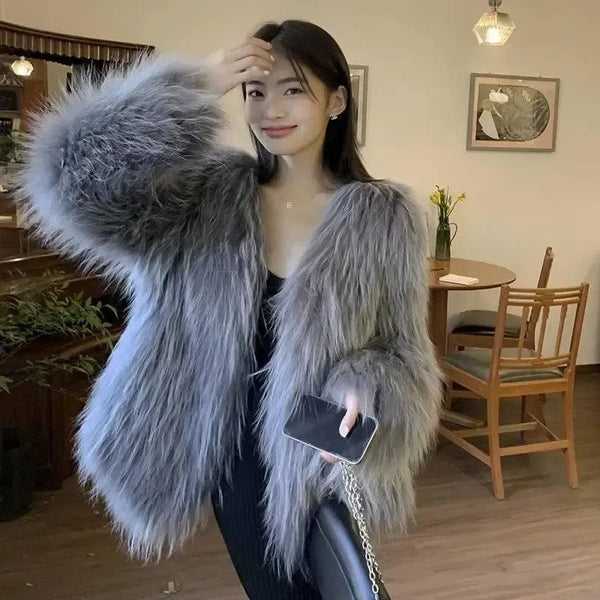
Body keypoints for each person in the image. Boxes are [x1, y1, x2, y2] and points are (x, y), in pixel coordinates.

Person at [20, 19, 442, 599]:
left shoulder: (384, 218)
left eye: (293, 89)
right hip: (229, 449)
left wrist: (364, 386)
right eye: (255, 90)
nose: (272, 109)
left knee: (336, 583)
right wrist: (196, 83)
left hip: (320, 446)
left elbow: (402, 350)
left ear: (337, 101)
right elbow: (73, 185)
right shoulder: (207, 196)